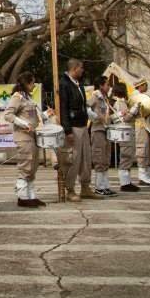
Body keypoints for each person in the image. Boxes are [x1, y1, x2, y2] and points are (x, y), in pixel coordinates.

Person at [3, 72, 47, 208]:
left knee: (33, 166)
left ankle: (31, 196)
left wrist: (45, 115)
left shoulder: (28, 98)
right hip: (23, 137)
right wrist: (23, 124)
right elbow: (8, 115)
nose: (34, 85)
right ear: (27, 83)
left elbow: (34, 119)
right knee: (25, 166)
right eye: (32, 82)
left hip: (32, 136)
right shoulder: (18, 97)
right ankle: (22, 197)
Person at [59, 59, 100, 202]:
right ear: (75, 68)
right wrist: (67, 130)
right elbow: (63, 108)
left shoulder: (79, 84)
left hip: (83, 125)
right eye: (81, 68)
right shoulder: (64, 84)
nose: (83, 70)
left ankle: (85, 186)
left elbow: (83, 105)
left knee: (86, 158)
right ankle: (70, 189)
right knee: (74, 159)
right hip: (73, 126)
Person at [88, 76, 116, 197]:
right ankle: (99, 187)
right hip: (98, 129)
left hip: (105, 130)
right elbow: (86, 108)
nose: (108, 86)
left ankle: (105, 186)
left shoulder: (105, 99)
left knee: (105, 157)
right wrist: (96, 117)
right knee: (99, 156)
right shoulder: (95, 96)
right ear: (100, 85)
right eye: (107, 84)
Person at [111, 82, 140, 193]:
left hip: (126, 132)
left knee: (128, 156)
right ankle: (125, 183)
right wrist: (134, 109)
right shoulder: (119, 103)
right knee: (126, 156)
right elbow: (124, 119)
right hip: (124, 133)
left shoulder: (120, 102)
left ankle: (127, 182)